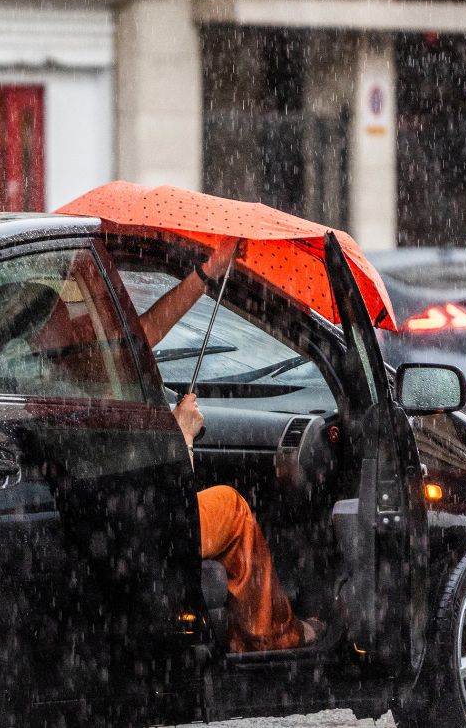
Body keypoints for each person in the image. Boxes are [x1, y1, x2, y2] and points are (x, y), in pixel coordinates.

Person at [139, 239, 323, 653]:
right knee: (231, 505)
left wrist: (207, 273)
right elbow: (174, 500)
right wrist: (181, 432)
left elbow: (146, 329)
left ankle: (245, 634)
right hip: (146, 520)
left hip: (120, 516)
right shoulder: (91, 360)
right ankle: (269, 635)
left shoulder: (75, 355)